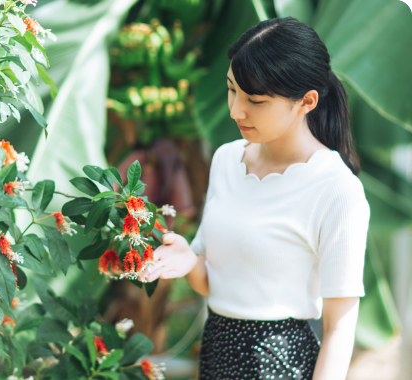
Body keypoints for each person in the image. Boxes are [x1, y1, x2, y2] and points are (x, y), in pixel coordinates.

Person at [144, 17, 370, 380]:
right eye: (232, 90)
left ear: (307, 101)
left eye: (256, 100)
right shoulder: (226, 160)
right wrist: (189, 260)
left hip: (280, 365)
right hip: (216, 354)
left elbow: (340, 328)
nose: (235, 110)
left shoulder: (336, 189)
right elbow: (217, 286)